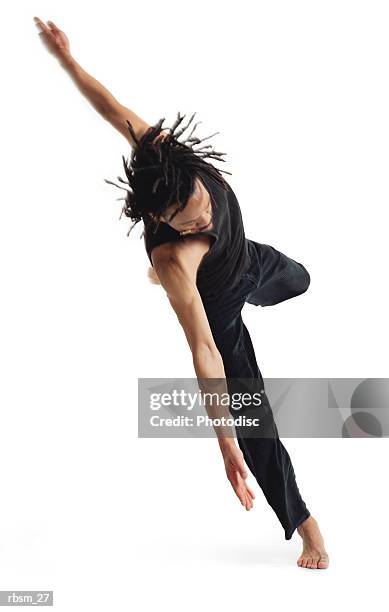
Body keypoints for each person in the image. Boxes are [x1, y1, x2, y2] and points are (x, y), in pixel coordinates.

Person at [34, 16, 329, 570]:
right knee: (254, 421)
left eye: (202, 209)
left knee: (302, 280)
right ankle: (308, 528)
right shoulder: (174, 258)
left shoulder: (166, 156)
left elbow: (109, 104)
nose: (202, 220)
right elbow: (204, 354)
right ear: (158, 218)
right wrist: (225, 445)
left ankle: (263, 290)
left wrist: (67, 61)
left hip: (251, 260)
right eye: (190, 224)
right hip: (216, 311)